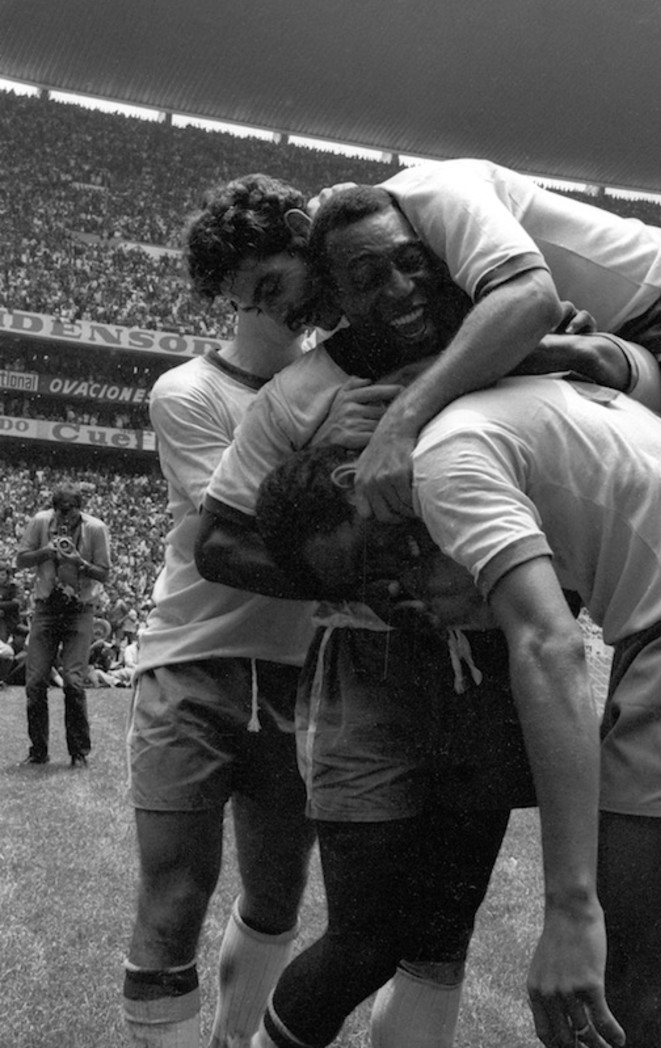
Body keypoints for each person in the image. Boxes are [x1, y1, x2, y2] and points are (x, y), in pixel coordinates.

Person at [197, 211, 661, 1048]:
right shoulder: (414, 395)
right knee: (658, 948)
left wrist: (566, 909)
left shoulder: (455, 427)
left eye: (391, 559)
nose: (400, 587)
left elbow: (547, 642)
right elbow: (218, 540)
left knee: (616, 978)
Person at [123, 172, 444, 1048]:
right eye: (250, 296)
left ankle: (233, 1040)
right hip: (195, 656)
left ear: (307, 247)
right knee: (174, 896)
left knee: (276, 898)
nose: (274, 306)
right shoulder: (188, 391)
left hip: (303, 668)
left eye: (275, 281)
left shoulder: (349, 363)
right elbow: (240, 537)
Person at [306, 165, 661, 573]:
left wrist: (399, 421)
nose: (396, 286)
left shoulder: (442, 192)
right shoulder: (383, 255)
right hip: (609, 348)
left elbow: (533, 300)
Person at [16, 484, 111, 766]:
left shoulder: (96, 529)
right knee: (35, 682)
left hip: (79, 610)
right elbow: (21, 560)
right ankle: (38, 750)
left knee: (73, 681)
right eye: (60, 513)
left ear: (80, 509)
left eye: (70, 513)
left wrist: (80, 562)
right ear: (53, 509)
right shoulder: (40, 522)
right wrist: (46, 551)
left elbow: (104, 573)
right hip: (46, 607)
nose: (65, 519)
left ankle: (78, 752)